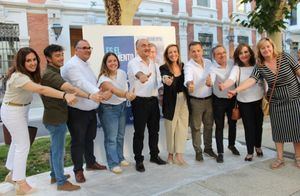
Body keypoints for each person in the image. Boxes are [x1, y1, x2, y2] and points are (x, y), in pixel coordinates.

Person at [1, 47, 77, 195]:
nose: (32, 63)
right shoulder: (19, 77)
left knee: (18, 143)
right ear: (21, 62)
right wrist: (65, 95)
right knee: (23, 145)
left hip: (20, 110)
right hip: (13, 111)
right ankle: (21, 182)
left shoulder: (27, 75)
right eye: (28, 60)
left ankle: (12, 175)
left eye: (34, 59)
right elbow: (41, 90)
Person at [228, 38, 300, 169]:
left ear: (272, 46)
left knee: (297, 129)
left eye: (268, 47)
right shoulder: (260, 65)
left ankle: (298, 157)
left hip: (294, 99)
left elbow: (298, 71)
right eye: (263, 48)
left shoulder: (285, 57)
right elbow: (251, 80)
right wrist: (236, 90)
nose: (266, 50)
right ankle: (280, 158)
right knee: (278, 131)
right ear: (259, 51)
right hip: (276, 102)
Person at [41, 44, 103, 191]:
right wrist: (90, 95)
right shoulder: (52, 74)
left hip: (59, 115)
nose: (61, 58)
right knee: (59, 150)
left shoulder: (56, 71)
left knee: (56, 148)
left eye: (61, 54)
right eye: (57, 55)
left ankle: (55, 175)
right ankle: (62, 182)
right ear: (48, 59)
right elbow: (71, 88)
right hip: (56, 117)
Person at [61, 40, 112, 183]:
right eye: (84, 48)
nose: (87, 50)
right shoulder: (72, 65)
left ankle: (90, 163)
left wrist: (100, 92)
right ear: (75, 50)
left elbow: (92, 82)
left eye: (89, 48)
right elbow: (80, 83)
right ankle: (78, 170)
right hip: (77, 111)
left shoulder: (85, 64)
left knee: (90, 138)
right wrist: (99, 93)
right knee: (78, 141)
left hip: (90, 110)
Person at [219, 43, 264, 161]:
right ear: (237, 56)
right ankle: (250, 152)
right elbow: (231, 79)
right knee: (249, 127)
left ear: (250, 52)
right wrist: (224, 85)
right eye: (240, 53)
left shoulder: (257, 65)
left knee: (258, 126)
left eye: (246, 52)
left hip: (258, 101)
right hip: (244, 102)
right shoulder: (236, 68)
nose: (243, 55)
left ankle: (258, 146)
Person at [127, 38, 166, 172]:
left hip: (153, 101)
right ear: (137, 49)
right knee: (139, 133)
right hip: (139, 102)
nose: (147, 47)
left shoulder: (154, 64)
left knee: (154, 131)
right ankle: (139, 160)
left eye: (148, 45)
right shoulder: (133, 62)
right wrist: (142, 76)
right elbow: (139, 74)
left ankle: (154, 156)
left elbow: (159, 82)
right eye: (143, 45)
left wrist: (164, 81)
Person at [97, 52, 136, 174]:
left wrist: (126, 95)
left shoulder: (122, 73)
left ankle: (120, 157)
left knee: (120, 136)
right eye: (109, 61)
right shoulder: (103, 78)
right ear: (105, 64)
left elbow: (124, 88)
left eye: (115, 60)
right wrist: (126, 95)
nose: (113, 63)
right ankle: (113, 163)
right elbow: (114, 90)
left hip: (122, 107)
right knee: (111, 138)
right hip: (109, 109)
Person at [184, 41, 217, 162]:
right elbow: (188, 77)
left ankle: (208, 148)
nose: (196, 53)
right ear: (190, 53)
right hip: (196, 101)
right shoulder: (189, 65)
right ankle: (198, 151)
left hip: (209, 100)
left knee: (209, 126)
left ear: (202, 51)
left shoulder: (209, 63)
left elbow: (212, 75)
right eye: (193, 51)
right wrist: (189, 84)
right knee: (196, 127)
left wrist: (211, 81)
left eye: (198, 50)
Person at [207, 44, 240, 163]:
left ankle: (231, 145)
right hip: (219, 100)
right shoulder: (212, 68)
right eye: (219, 54)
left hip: (232, 99)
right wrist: (209, 82)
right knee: (219, 126)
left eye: (224, 52)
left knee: (233, 123)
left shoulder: (232, 63)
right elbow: (211, 78)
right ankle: (220, 152)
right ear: (214, 57)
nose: (222, 55)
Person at [160, 44, 189, 166]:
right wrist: (166, 80)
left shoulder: (183, 67)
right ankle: (170, 154)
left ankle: (179, 155)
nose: (173, 54)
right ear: (167, 55)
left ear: (178, 53)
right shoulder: (163, 67)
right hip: (171, 101)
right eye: (170, 52)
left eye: (175, 52)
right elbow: (164, 77)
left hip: (184, 99)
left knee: (182, 128)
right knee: (171, 128)